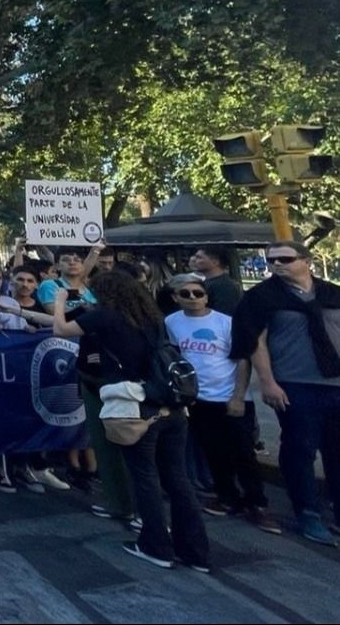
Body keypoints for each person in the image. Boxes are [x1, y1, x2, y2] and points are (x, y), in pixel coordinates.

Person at [55, 270, 210, 572]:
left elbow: (61, 329)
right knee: (178, 480)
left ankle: (155, 545)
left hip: (136, 406)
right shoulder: (152, 318)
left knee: (145, 478)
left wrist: (61, 300)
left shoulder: (105, 316)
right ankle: (195, 551)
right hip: (171, 406)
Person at [233, 241, 340, 545]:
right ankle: (308, 511)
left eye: (285, 259)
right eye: (271, 260)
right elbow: (256, 342)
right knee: (300, 448)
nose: (277, 265)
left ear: (306, 261)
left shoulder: (331, 293)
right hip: (294, 383)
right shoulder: (262, 297)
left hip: (335, 381)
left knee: (337, 450)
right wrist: (267, 381)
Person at [163, 274, 279, 534]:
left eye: (198, 293)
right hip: (198, 398)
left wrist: (238, 395)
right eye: (185, 294)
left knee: (244, 453)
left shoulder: (226, 322)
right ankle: (227, 496)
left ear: (206, 296)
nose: (193, 298)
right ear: (175, 297)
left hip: (230, 396)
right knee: (214, 451)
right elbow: (175, 356)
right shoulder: (171, 321)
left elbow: (242, 359)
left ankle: (257, 503)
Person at [190, 247, 243, 315]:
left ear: (215, 262)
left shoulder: (225, 286)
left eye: (199, 257)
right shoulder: (208, 282)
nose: (194, 260)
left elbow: (223, 316)